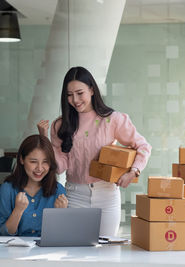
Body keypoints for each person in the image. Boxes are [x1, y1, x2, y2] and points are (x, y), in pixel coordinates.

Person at [37, 66, 151, 236]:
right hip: (75, 195)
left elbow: (143, 146)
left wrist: (133, 172)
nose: (75, 100)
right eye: (69, 95)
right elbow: (60, 166)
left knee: (107, 252)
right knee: (75, 251)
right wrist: (44, 139)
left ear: (91, 90)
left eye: (79, 93)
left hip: (107, 195)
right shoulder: (60, 125)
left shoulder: (113, 119)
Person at [0, 134, 68, 237]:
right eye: (33, 162)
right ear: (21, 160)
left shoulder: (58, 190)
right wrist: (18, 210)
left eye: (45, 162)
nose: (39, 168)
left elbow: (62, 237)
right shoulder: (7, 189)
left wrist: (60, 214)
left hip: (47, 252)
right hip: (14, 252)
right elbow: (2, 234)